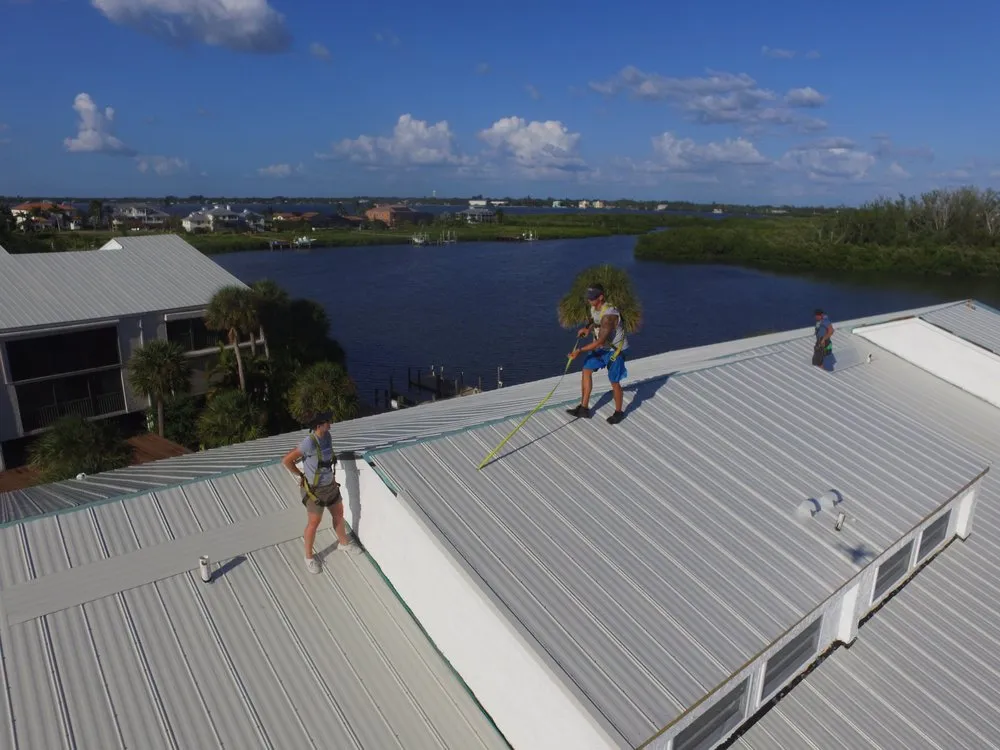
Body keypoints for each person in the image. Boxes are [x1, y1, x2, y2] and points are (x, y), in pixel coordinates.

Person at [281, 410, 353, 574]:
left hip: (330, 486)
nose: (330, 424)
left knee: (339, 515)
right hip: (315, 491)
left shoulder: (327, 436)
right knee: (314, 522)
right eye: (328, 421)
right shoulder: (309, 443)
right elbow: (286, 460)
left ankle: (343, 543)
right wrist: (300, 474)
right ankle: (308, 557)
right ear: (319, 425)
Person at [566, 284, 630, 424]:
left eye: (592, 298)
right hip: (602, 348)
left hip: (614, 351)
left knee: (614, 382)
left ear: (601, 297)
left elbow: (600, 341)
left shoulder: (609, 316)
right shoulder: (594, 306)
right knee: (586, 370)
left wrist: (579, 351)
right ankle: (584, 408)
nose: (589, 301)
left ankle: (619, 412)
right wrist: (587, 329)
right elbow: (594, 319)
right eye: (588, 298)